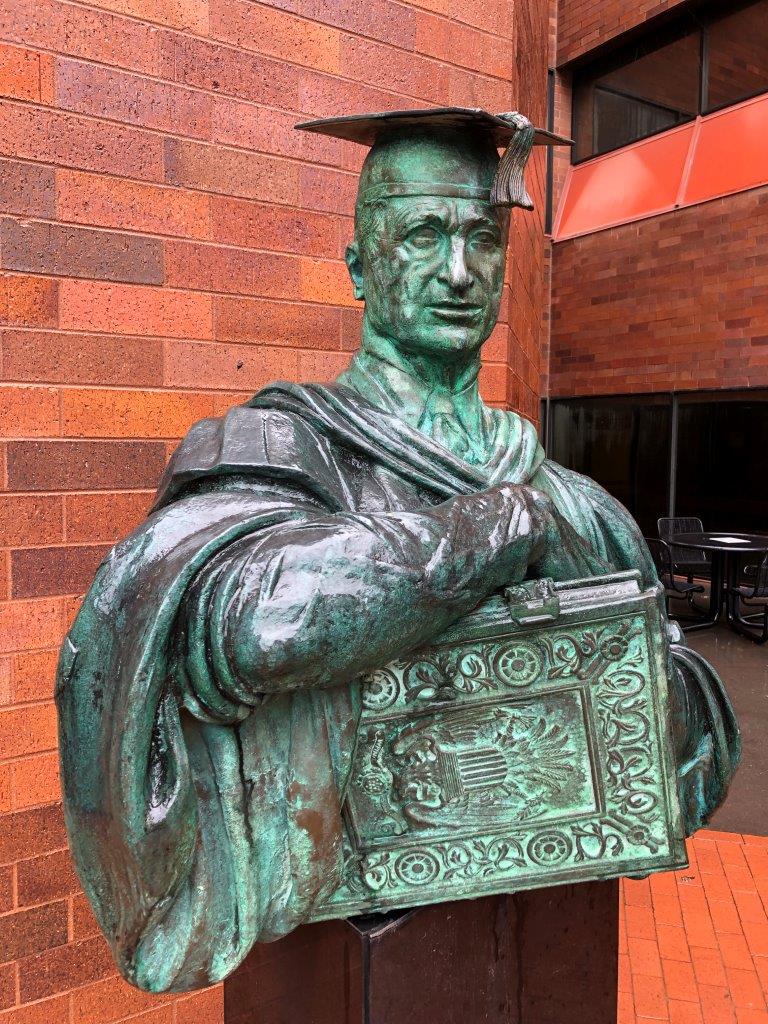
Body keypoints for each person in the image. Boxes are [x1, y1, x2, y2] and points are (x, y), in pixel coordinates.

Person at [56, 108, 739, 994]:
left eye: (482, 240)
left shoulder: (575, 499)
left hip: (548, 913)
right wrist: (502, 531)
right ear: (358, 269)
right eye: (423, 236)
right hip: (349, 946)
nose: (459, 271)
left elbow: (688, 727)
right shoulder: (274, 446)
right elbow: (266, 622)